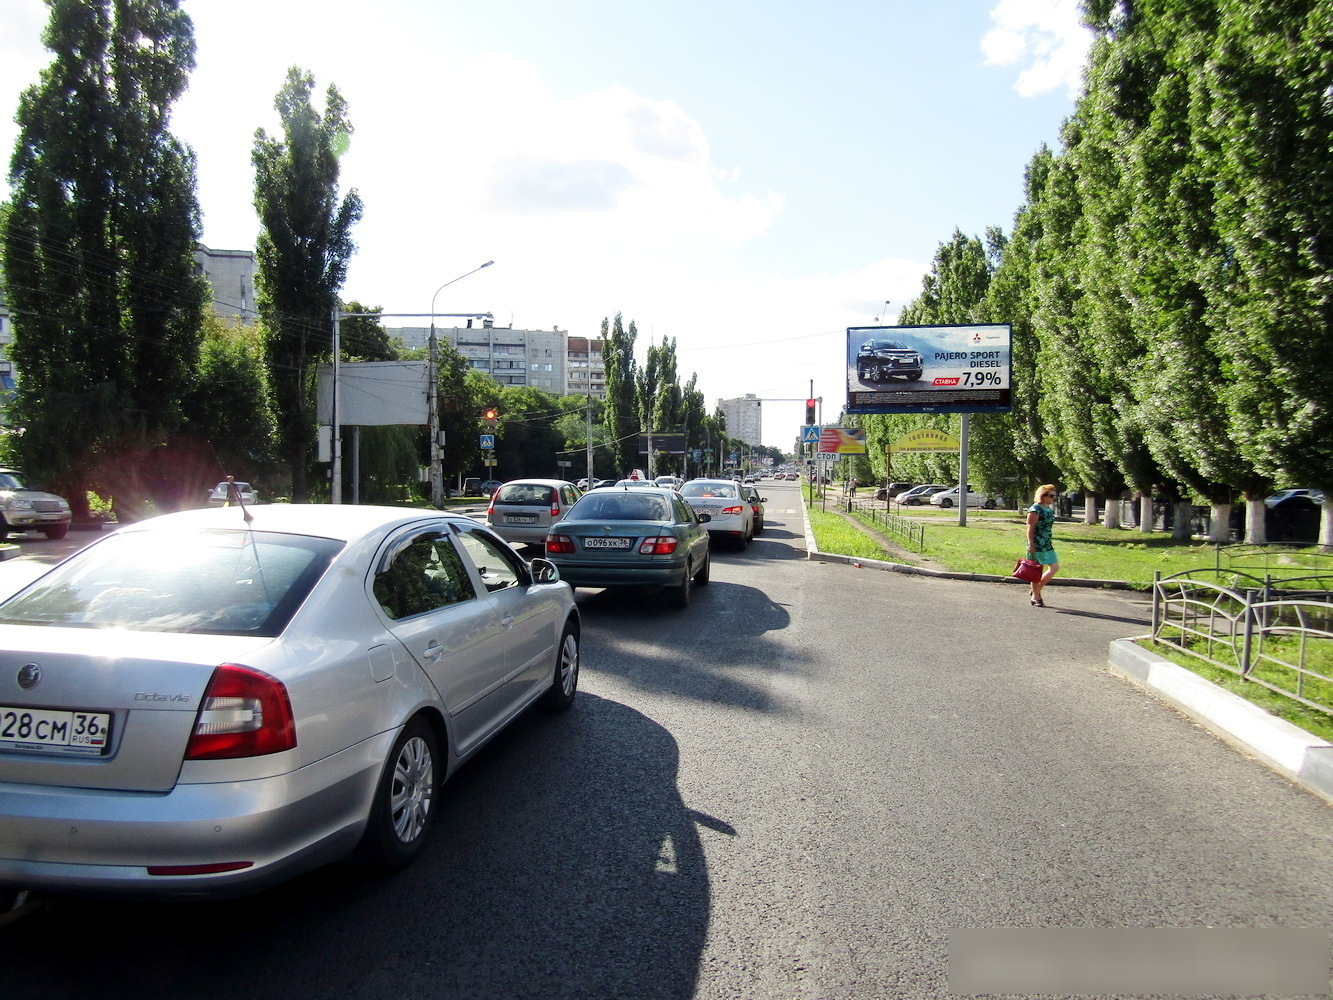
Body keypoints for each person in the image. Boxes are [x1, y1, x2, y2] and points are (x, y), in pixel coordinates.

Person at [1025, 484, 1060, 607]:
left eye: (1054, 496)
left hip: (1047, 543)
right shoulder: (1035, 509)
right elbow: (1030, 527)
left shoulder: (1049, 510)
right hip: (1037, 543)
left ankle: (1037, 589)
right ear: (1042, 495)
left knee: (1054, 567)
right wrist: (1031, 544)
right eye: (1050, 496)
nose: (1052, 499)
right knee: (1036, 571)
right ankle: (1036, 597)